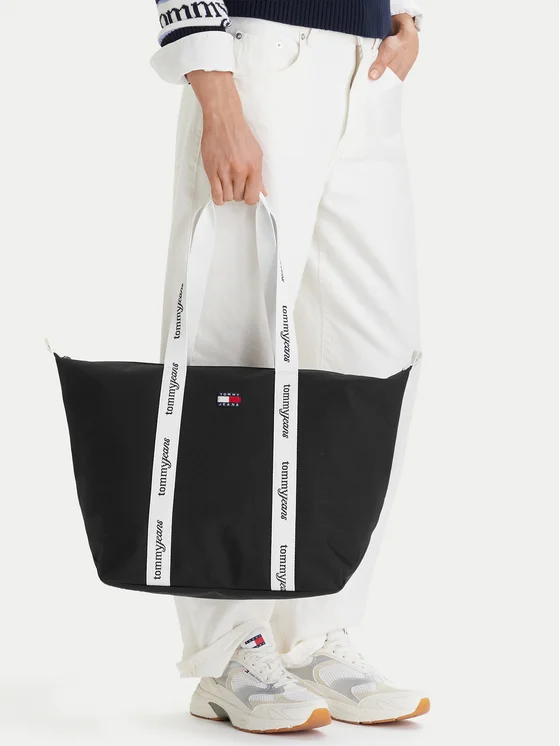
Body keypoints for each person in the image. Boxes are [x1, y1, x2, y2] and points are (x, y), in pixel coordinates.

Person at [150, 0, 427, 734]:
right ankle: (228, 647)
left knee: (371, 358)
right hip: (263, 59)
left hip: (366, 66)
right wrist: (216, 92)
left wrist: (409, 18)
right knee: (232, 365)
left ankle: (315, 626)